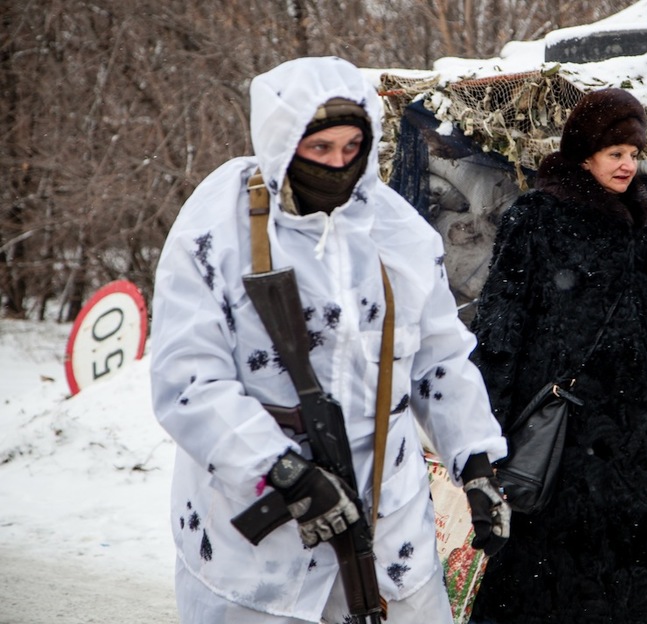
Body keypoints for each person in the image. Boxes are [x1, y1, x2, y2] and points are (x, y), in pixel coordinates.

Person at [149, 56, 510, 624]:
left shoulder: (397, 235)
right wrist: (283, 471)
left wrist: (478, 464)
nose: (339, 165)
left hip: (389, 535)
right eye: (320, 150)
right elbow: (188, 381)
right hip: (256, 554)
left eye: (352, 148)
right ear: (282, 142)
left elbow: (441, 359)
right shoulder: (218, 228)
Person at [468, 88, 647, 624]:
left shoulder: (637, 220)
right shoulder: (536, 217)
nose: (627, 165)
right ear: (585, 153)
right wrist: (483, 425)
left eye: (634, 155)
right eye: (616, 154)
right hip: (567, 433)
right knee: (564, 579)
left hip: (637, 430)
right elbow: (501, 323)